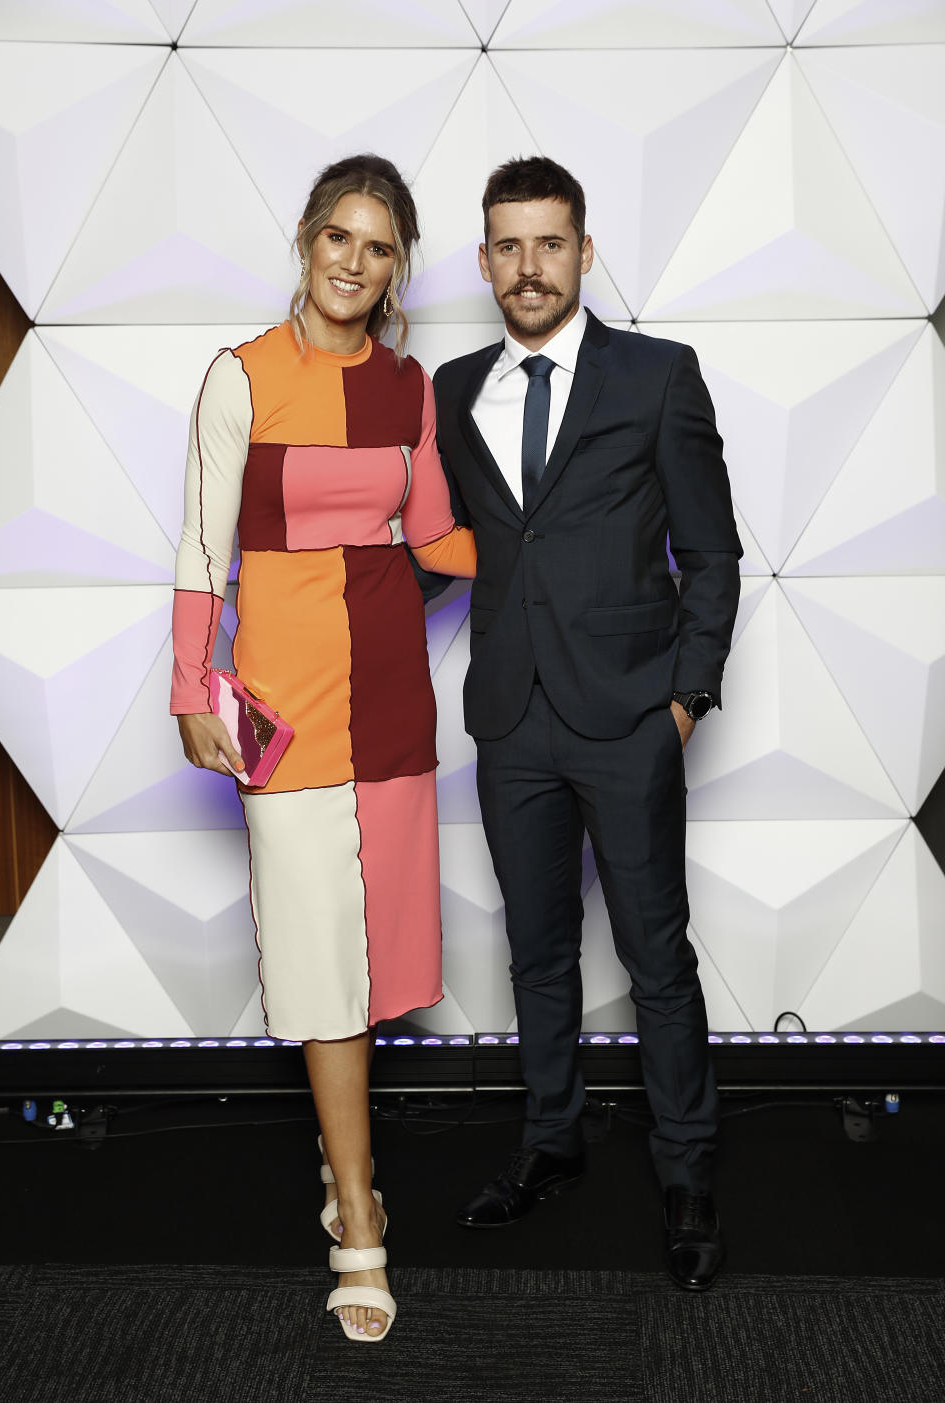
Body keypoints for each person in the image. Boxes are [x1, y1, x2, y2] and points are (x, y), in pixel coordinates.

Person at [170, 154, 476, 1341]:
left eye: (380, 245)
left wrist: (566, 554)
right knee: (319, 961)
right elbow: (203, 548)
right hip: (283, 707)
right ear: (305, 241)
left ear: (398, 267)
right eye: (338, 237)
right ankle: (357, 1213)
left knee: (375, 951)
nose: (354, 261)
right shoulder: (240, 378)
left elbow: (439, 533)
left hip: (393, 702)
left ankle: (347, 1173)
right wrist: (194, 685)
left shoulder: (409, 387)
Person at [432, 157, 741, 1291]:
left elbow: (710, 553)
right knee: (536, 950)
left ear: (584, 250)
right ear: (483, 261)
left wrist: (684, 701)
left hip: (628, 719)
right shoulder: (453, 389)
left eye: (548, 243)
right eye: (507, 246)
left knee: (658, 958)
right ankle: (553, 1139)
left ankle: (688, 1168)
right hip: (511, 720)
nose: (529, 266)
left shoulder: (659, 376)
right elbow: (446, 552)